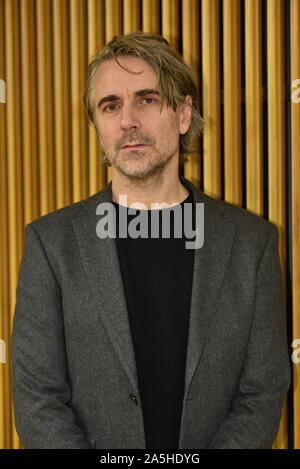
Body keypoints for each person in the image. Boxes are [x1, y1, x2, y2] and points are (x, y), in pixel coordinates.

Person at [11, 32, 291, 449]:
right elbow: (37, 399)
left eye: (147, 99)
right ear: (99, 127)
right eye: (111, 106)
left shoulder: (253, 245)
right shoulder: (51, 244)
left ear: (182, 114)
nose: (128, 120)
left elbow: (262, 393)